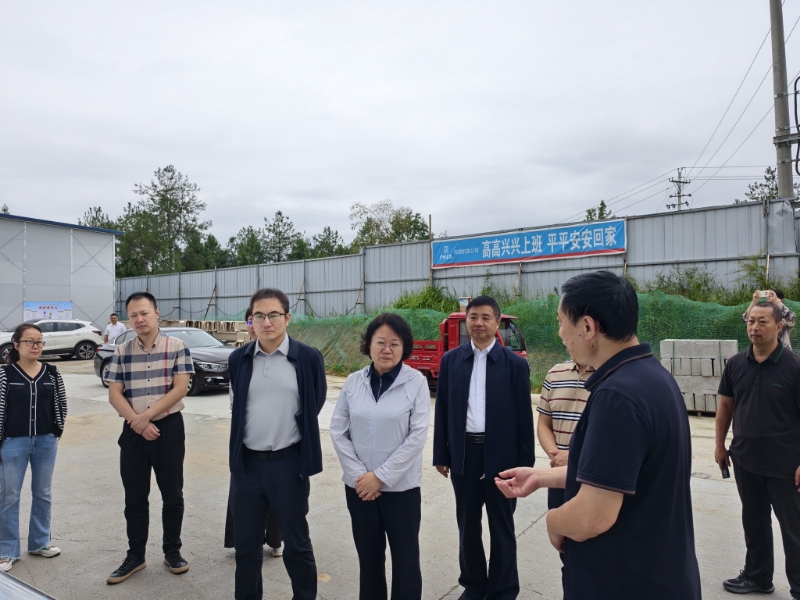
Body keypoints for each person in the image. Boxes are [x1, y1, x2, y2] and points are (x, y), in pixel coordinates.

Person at [495, 271, 701, 600]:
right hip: (659, 573)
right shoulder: (653, 377)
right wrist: (540, 477)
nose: (561, 334)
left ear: (588, 327)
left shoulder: (617, 396)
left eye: (562, 323)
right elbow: (615, 475)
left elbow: (593, 515)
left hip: (626, 581)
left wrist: (554, 520)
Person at [433, 295, 534, 600]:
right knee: (468, 526)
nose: (478, 323)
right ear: (466, 321)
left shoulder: (515, 365)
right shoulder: (451, 361)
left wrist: (525, 463)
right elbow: (443, 410)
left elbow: (524, 417)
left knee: (502, 526)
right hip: (465, 455)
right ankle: (474, 586)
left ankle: (504, 589)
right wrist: (441, 454)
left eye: (486, 317)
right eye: (473, 317)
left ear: (497, 322)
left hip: (503, 457)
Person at [228, 288, 326, 600]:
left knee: (297, 545)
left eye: (273, 315)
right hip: (247, 467)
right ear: (251, 320)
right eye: (259, 316)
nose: (266, 322)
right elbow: (238, 407)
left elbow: (315, 402)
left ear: (287, 317)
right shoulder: (239, 359)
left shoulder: (307, 357)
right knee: (246, 549)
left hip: (289, 464)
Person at [330, 313, 430, 600]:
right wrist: (361, 477)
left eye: (394, 343)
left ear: (404, 347)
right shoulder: (353, 382)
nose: (387, 349)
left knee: (406, 563)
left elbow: (417, 436)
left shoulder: (416, 382)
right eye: (380, 342)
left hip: (401, 490)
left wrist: (381, 477)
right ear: (369, 344)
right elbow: (338, 431)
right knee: (370, 561)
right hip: (360, 489)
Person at [104, 292, 195, 584]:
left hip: (168, 428)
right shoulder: (122, 351)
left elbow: (180, 388)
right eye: (133, 315)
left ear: (156, 313)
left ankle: (172, 551)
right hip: (133, 431)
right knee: (134, 497)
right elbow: (114, 393)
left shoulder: (177, 347)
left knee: (173, 494)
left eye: (144, 313)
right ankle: (135, 556)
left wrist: (147, 416)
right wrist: (138, 422)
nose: (139, 319)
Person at [716, 301, 800, 598]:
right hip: (745, 459)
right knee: (754, 522)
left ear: (779, 326)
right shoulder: (736, 364)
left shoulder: (794, 366)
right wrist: (719, 445)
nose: (754, 327)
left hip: (785, 465)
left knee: (794, 529)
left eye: (762, 322)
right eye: (751, 321)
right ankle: (758, 577)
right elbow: (726, 406)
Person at [0, 323, 67, 573]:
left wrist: (56, 430)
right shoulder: (5, 374)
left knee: (42, 492)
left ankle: (40, 543)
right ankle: (7, 550)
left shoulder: (52, 372)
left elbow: (61, 403)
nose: (35, 346)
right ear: (16, 344)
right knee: (9, 496)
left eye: (39, 341)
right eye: (29, 341)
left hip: (45, 441)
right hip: (12, 442)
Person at [224, 307, 283, 557]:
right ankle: (246, 539)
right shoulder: (239, 358)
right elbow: (233, 398)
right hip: (246, 440)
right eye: (250, 320)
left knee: (276, 496)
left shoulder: (287, 357)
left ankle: (276, 540)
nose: (253, 325)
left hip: (278, 443)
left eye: (256, 319)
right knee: (243, 495)